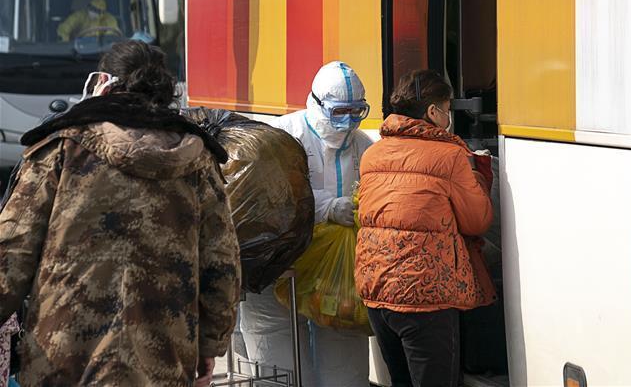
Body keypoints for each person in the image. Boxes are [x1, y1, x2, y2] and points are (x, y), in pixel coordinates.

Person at [0, 40, 240, 386]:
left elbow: (12, 251)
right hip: (163, 357)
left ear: (104, 83)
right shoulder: (197, 159)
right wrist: (210, 344)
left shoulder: (62, 149)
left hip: (63, 358)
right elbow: (222, 261)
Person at [355, 69, 496, 387]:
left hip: (378, 291)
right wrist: (478, 177)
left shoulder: (373, 153)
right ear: (433, 111)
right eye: (447, 109)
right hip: (425, 294)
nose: (448, 117)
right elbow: (477, 221)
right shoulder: (449, 156)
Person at [240, 61, 372, 386]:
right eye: (341, 112)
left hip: (335, 275)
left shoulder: (363, 145)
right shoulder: (282, 137)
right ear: (316, 103)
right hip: (278, 268)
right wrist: (327, 208)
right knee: (278, 366)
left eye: (358, 112)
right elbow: (265, 199)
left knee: (345, 362)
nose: (349, 121)